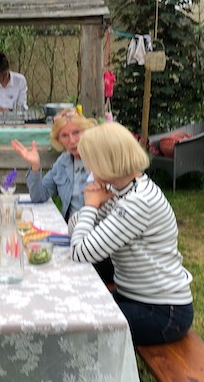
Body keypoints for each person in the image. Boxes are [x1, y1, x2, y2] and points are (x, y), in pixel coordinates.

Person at [69, 122, 194, 345]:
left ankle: (114, 379)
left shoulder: (138, 202)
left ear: (103, 162)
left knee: (80, 326)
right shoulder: (123, 190)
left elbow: (81, 252)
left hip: (163, 312)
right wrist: (94, 206)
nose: (88, 168)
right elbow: (76, 230)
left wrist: (90, 206)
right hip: (136, 297)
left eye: (89, 161)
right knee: (74, 305)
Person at [10, 108, 114, 284]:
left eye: (76, 133)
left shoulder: (102, 161)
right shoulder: (64, 161)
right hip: (71, 235)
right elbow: (39, 196)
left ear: (87, 132)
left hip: (99, 241)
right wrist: (35, 166)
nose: (72, 141)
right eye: (64, 136)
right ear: (58, 140)